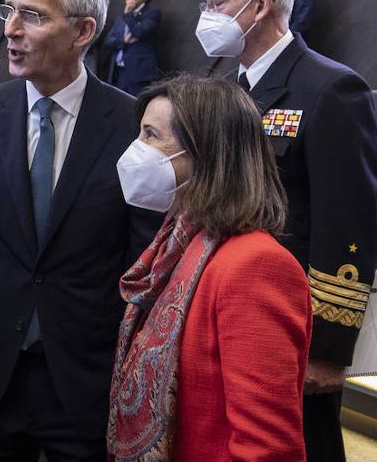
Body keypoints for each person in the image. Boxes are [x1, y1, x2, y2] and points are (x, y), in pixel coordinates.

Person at [0, 0, 160, 461]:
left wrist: (133, 373)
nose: (10, 30)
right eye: (8, 11)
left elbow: (145, 263)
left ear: (83, 30)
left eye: (32, 15)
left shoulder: (133, 126)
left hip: (89, 381)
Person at [199, 0, 377, 462]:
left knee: (305, 442)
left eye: (217, 1)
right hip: (230, 304)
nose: (207, 15)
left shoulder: (330, 87)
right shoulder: (225, 91)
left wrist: (328, 347)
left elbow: (347, 224)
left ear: (260, 5)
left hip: (291, 318)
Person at [107, 76, 311, 462]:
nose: (137, 149)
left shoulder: (256, 265)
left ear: (206, 153)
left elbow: (267, 447)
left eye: (151, 135)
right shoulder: (179, 243)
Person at [103, 0, 161, 97]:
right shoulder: (121, 17)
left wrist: (128, 15)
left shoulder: (152, 13)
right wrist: (123, 41)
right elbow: (108, 41)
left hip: (139, 73)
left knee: (138, 105)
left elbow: (139, 32)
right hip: (119, 72)